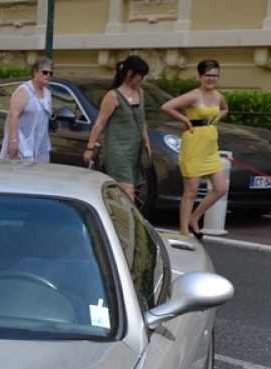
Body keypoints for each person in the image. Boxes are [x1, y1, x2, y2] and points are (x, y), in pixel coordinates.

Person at [161, 59, 229, 240]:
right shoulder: (194, 95)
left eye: (215, 75)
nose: (212, 79)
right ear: (200, 76)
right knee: (191, 191)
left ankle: (195, 217)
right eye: (208, 75)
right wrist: (184, 120)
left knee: (221, 188)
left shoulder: (218, 96)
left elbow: (224, 109)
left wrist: (217, 119)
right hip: (194, 144)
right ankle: (184, 231)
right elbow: (167, 107)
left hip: (210, 147)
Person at [83, 55, 152, 201]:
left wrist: (147, 143)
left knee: (123, 190)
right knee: (128, 190)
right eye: (139, 75)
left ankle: (116, 220)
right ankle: (130, 223)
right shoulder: (113, 95)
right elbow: (100, 122)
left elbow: (142, 119)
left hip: (135, 149)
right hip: (118, 150)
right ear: (129, 73)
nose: (141, 79)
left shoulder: (140, 93)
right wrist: (89, 148)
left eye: (143, 75)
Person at [0, 57, 54, 163]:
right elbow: (13, 115)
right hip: (22, 145)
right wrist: (13, 141)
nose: (48, 75)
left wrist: (52, 125)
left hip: (40, 146)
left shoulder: (48, 94)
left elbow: (43, 118)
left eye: (50, 73)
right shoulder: (24, 91)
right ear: (35, 72)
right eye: (45, 72)